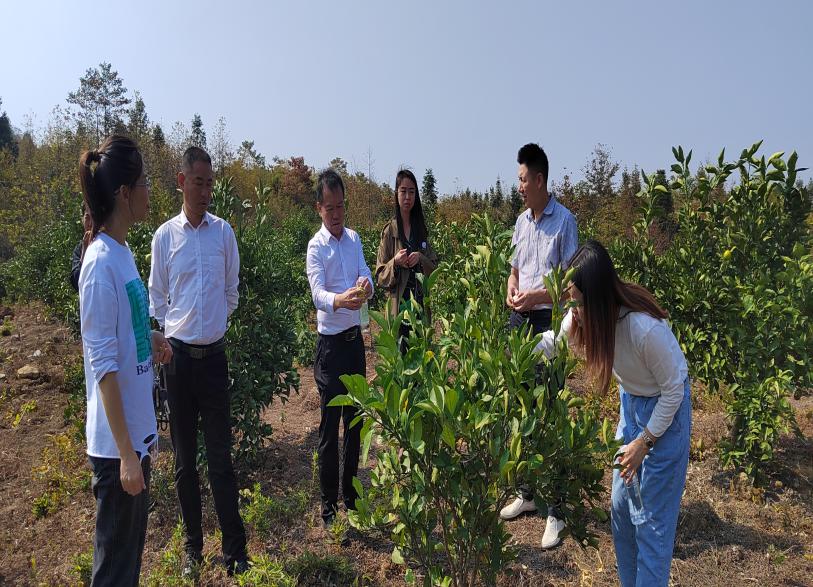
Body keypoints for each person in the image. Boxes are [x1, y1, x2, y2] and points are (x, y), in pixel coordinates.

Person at [537, 240, 691, 587]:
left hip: (665, 412)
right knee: (622, 513)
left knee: (651, 524)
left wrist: (644, 442)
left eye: (577, 301)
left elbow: (674, 391)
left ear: (598, 299)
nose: (573, 310)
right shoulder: (585, 317)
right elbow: (553, 343)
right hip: (632, 405)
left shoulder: (644, 329)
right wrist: (512, 352)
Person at [148, 146, 248, 577]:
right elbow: (156, 297)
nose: (206, 191)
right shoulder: (164, 237)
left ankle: (235, 550)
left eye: (210, 183)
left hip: (214, 360)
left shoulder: (223, 233)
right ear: (181, 182)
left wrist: (215, 324)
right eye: (198, 182)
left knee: (221, 459)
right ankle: (193, 549)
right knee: (185, 462)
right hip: (178, 362)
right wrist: (170, 335)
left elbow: (231, 291)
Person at [78, 135, 172, 587]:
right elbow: (103, 367)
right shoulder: (99, 264)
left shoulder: (123, 252)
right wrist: (125, 456)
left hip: (136, 436)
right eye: (144, 182)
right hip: (118, 446)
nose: (149, 191)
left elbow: (124, 335)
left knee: (128, 565)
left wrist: (149, 339)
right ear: (123, 193)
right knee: (114, 572)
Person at [500, 143, 578, 549]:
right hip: (520, 321)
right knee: (523, 406)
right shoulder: (521, 222)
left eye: (523, 179)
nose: (519, 186)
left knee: (551, 410)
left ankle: (557, 510)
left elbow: (571, 287)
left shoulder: (565, 222)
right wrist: (513, 289)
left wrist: (535, 297)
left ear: (540, 180)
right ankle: (528, 494)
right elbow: (514, 270)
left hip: (548, 323)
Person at [306, 168, 374, 528]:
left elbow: (367, 274)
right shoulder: (316, 247)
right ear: (319, 208)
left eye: (341, 207)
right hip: (330, 349)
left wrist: (366, 284)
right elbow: (318, 294)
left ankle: (351, 498)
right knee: (330, 427)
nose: (336, 214)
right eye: (330, 208)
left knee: (355, 423)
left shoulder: (354, 239)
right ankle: (329, 507)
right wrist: (340, 300)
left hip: (354, 345)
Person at [375, 169, 438, 350]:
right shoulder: (390, 231)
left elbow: (435, 269)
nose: (407, 197)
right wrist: (395, 262)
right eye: (403, 191)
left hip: (419, 307)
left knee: (420, 355)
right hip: (399, 309)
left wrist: (421, 258)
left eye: (412, 191)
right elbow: (380, 276)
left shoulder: (421, 230)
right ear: (396, 193)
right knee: (401, 356)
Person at [69, 201, 94, 292]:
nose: (90, 224)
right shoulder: (79, 249)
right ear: (82, 220)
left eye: (94, 218)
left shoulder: (108, 243)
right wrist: (85, 250)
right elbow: (76, 282)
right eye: (87, 218)